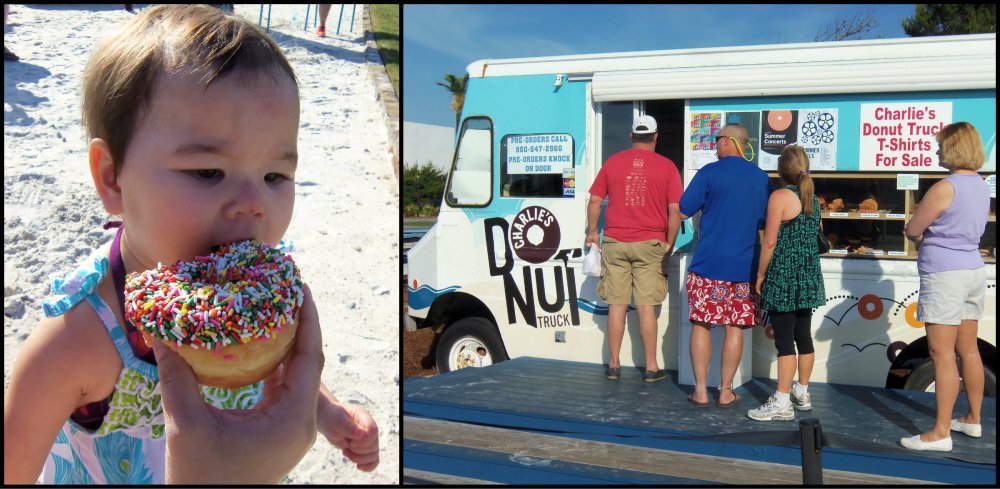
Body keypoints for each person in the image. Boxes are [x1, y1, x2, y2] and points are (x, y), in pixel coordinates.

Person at [2, 6, 378, 484]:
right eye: (207, 172)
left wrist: (324, 408)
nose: (252, 203)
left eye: (275, 175)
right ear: (113, 177)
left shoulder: (252, 301)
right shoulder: (75, 339)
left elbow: (266, 365)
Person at [900, 121, 989, 452]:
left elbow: (913, 229)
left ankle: (939, 433)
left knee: (942, 354)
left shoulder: (944, 187)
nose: (937, 151)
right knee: (969, 350)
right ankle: (972, 419)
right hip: (973, 271)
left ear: (953, 147)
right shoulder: (981, 185)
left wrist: (919, 231)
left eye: (940, 146)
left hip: (944, 274)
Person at [679, 123, 771, 407]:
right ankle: (726, 391)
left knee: (701, 325)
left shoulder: (708, 173)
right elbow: (769, 223)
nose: (714, 145)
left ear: (730, 141)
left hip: (708, 264)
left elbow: (683, 209)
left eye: (717, 139)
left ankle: (701, 391)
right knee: (734, 328)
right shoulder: (761, 178)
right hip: (745, 268)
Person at [586, 115, 683, 383]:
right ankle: (651, 367)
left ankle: (614, 365)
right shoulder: (667, 167)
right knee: (645, 307)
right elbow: (675, 209)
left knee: (616, 306)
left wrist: (593, 232)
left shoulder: (613, 162)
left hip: (615, 242)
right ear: (656, 137)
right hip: (649, 244)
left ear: (631, 137)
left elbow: (595, 200)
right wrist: (670, 241)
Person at [748, 145, 826, 421]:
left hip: (784, 275)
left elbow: (769, 242)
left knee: (784, 342)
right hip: (808, 275)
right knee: (803, 336)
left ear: (781, 170)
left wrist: (760, 275)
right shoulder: (812, 199)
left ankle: (781, 400)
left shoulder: (780, 196)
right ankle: (801, 392)